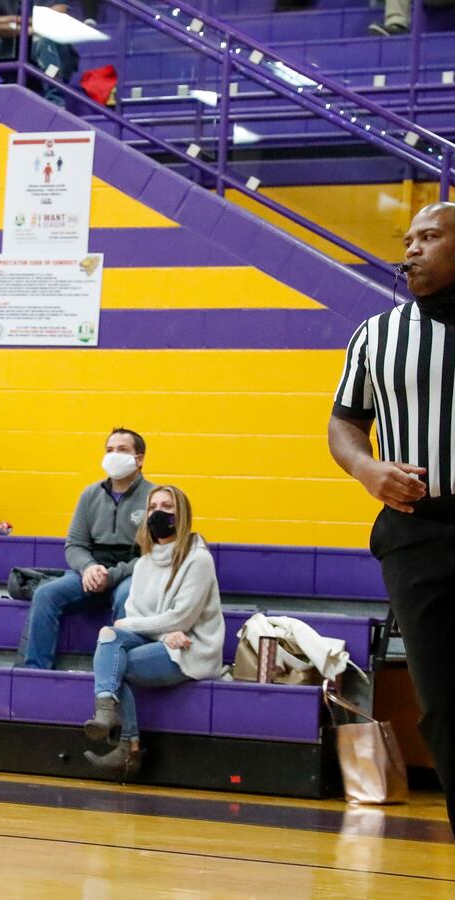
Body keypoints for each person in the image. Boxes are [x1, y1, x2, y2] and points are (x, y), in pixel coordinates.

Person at [328, 201, 455, 830]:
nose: (412, 249)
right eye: (408, 239)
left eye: (429, 237)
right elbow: (344, 424)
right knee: (442, 704)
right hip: (416, 530)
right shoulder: (378, 335)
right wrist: (367, 469)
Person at [83, 485, 223, 780]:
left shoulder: (198, 559)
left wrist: (134, 626)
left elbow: (181, 618)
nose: (159, 512)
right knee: (109, 635)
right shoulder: (145, 561)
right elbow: (136, 612)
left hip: (191, 648)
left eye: (168, 507)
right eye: (153, 506)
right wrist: (161, 634)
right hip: (163, 640)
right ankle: (106, 708)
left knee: (116, 663)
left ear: (181, 515)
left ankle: (127, 746)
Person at [18, 428, 152, 669]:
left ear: (139, 458)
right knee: (46, 594)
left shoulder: (155, 497)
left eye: (122, 450)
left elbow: (152, 554)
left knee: (126, 597)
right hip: (92, 569)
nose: (114, 455)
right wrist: (89, 567)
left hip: (131, 571)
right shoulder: (90, 495)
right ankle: (34, 671)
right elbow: (75, 544)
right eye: (110, 450)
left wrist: (111, 576)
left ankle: (121, 671)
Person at [0, 0, 79, 101]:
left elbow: (53, 21)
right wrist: (26, 27)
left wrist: (1, 21)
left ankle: (54, 99)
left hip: (53, 65)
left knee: (43, 39)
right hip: (14, 60)